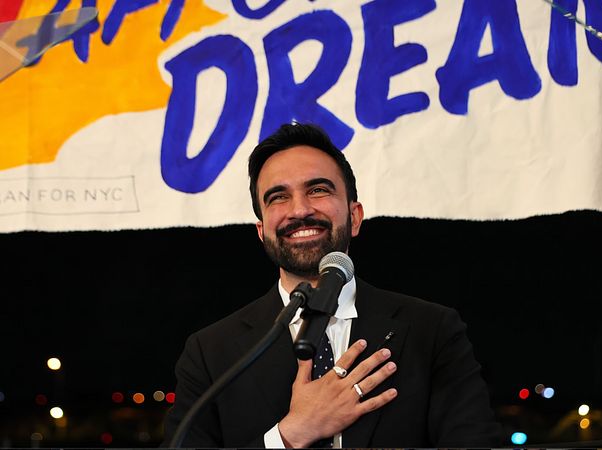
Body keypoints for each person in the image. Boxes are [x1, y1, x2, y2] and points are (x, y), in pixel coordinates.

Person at [162, 123, 502, 448]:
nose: (300, 209)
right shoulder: (210, 353)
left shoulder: (433, 330)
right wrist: (291, 434)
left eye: (318, 190)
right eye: (278, 197)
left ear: (354, 217)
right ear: (262, 231)